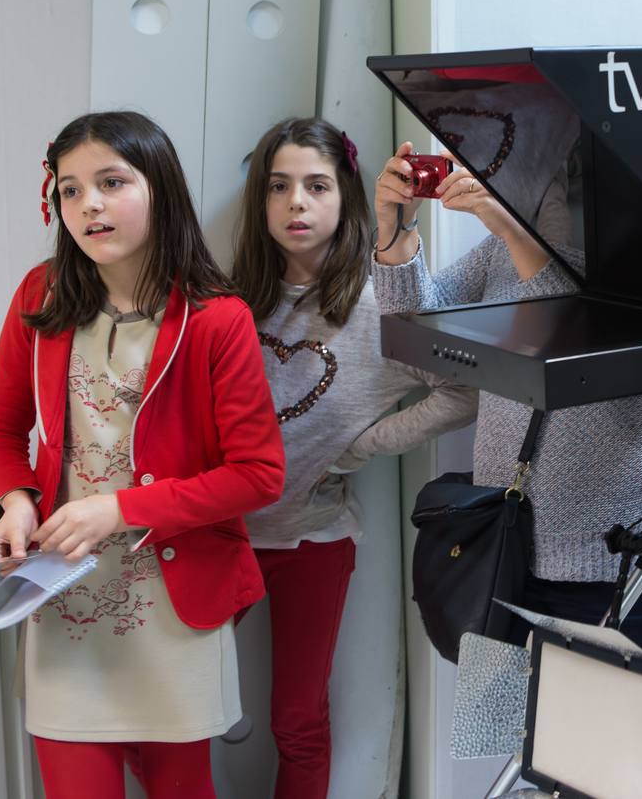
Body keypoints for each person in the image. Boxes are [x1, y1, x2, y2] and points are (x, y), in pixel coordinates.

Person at [0, 111, 285, 798]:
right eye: (71, 189)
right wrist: (16, 502)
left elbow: (258, 474)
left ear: (159, 188)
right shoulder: (40, 295)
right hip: (63, 598)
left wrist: (119, 508)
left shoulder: (215, 316)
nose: (89, 205)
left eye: (111, 182)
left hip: (174, 610)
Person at [370, 137, 642, 665]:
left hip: (617, 577)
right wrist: (396, 229)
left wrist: (512, 231)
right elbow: (416, 340)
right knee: (510, 742)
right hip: (505, 559)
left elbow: (569, 339)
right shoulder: (503, 249)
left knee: (595, 748)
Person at [227, 117, 476, 797]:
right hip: (219, 537)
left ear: (346, 196)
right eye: (278, 187)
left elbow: (462, 392)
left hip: (312, 540)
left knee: (297, 720)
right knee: (175, 703)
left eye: (316, 185)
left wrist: (358, 447)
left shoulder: (377, 303)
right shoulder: (229, 304)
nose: (297, 204)